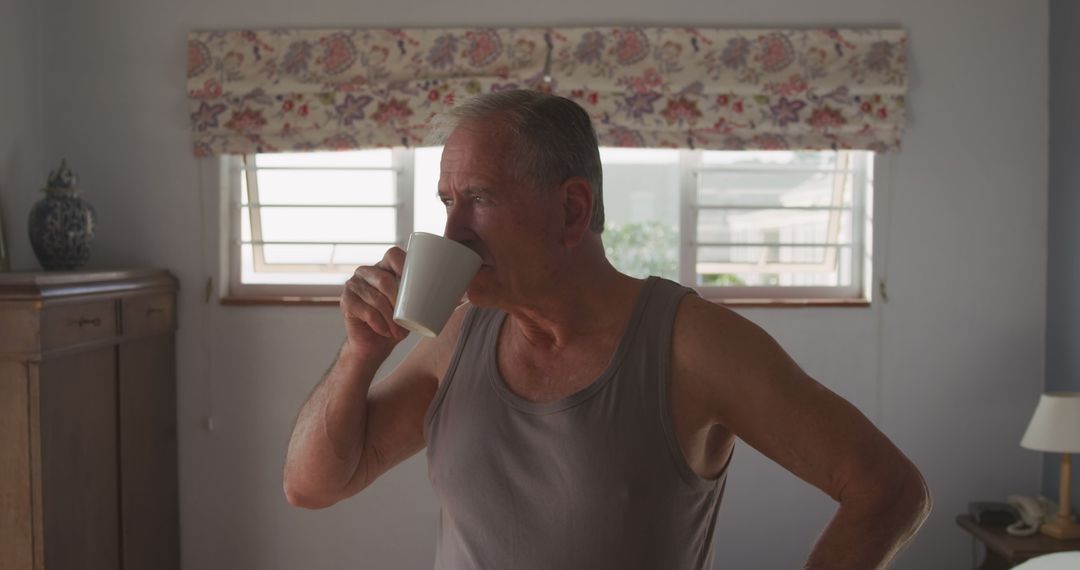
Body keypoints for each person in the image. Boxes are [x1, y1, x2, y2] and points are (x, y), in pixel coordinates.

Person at [283, 90, 931, 569]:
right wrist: (359, 354)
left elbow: (889, 491)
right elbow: (312, 486)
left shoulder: (693, 344)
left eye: (479, 198)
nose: (451, 233)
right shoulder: (458, 338)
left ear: (571, 209)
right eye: (448, 203)